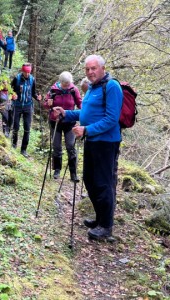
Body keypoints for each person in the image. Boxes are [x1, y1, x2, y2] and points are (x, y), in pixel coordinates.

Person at [52, 55, 122, 240]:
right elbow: (85, 113)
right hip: (92, 141)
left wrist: (87, 130)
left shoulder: (112, 86)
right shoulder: (92, 87)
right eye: (87, 69)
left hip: (106, 143)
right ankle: (99, 219)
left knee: (103, 183)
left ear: (103, 68)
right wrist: (66, 113)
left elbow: (111, 119)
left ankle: (106, 227)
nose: (90, 72)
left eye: (94, 68)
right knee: (90, 180)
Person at [43, 71, 82, 181]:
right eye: (65, 84)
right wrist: (48, 104)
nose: (67, 86)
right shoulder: (53, 90)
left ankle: (73, 173)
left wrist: (85, 113)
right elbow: (45, 104)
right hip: (55, 122)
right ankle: (57, 170)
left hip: (70, 123)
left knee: (70, 146)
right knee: (56, 146)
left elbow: (80, 103)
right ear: (61, 82)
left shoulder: (74, 90)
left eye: (69, 83)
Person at [11, 63, 42, 157]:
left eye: (29, 72)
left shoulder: (32, 79)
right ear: (22, 71)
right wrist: (12, 95)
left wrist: (37, 97)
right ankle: (13, 145)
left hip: (28, 106)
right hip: (17, 105)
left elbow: (33, 93)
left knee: (27, 128)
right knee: (16, 127)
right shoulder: (17, 79)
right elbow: (10, 89)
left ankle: (23, 150)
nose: (27, 74)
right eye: (25, 72)